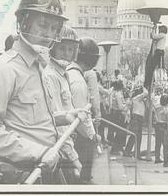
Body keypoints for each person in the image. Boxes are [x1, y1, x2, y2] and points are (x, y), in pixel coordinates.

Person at [0, 0, 87, 184]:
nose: (49, 34)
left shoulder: (40, 67)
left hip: (47, 167)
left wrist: (63, 116)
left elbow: (28, 119)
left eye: (54, 28)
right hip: (23, 174)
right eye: (44, 26)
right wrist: (39, 152)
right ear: (24, 24)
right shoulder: (5, 68)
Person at [42, 25, 85, 183]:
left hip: (65, 148)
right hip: (58, 150)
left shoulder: (63, 74)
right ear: (52, 49)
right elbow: (59, 123)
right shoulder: (51, 76)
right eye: (62, 49)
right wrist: (74, 158)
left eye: (70, 49)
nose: (67, 54)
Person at [67, 37, 101, 184]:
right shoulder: (79, 81)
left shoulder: (70, 72)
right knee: (82, 177)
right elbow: (81, 116)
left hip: (71, 133)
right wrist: (92, 136)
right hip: (79, 136)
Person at [124, 86, 148, 158]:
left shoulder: (140, 101)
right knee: (134, 136)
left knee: (138, 137)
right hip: (136, 118)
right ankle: (127, 151)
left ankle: (136, 153)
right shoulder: (136, 98)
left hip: (139, 118)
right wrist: (145, 86)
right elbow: (146, 93)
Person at [153, 94, 168, 167]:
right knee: (165, 145)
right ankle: (166, 161)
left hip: (157, 126)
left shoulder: (156, 107)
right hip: (165, 127)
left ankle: (157, 158)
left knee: (158, 143)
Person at [144, 25, 168, 90]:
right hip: (159, 51)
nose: (159, 30)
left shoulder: (162, 35)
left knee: (151, 66)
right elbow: (153, 37)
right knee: (152, 67)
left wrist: (153, 29)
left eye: (160, 29)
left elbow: (153, 36)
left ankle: (149, 82)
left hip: (159, 51)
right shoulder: (162, 36)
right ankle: (150, 81)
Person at [107, 80, 128, 155]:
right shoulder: (118, 94)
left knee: (119, 131)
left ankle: (117, 147)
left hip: (114, 112)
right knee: (121, 131)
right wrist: (127, 105)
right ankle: (116, 148)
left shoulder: (113, 93)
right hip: (119, 114)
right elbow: (120, 107)